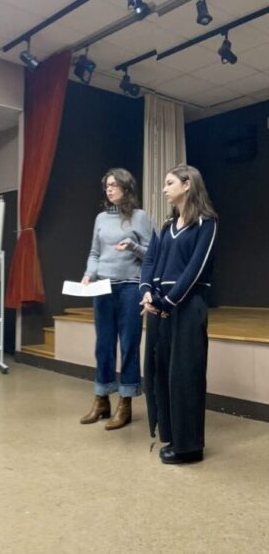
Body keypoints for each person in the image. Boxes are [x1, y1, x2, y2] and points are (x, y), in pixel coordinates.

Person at [141, 164, 217, 465]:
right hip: (160, 306)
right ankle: (172, 435)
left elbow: (195, 270)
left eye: (169, 183)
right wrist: (147, 292)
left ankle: (189, 448)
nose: (164, 189)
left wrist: (167, 302)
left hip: (186, 307)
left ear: (187, 185)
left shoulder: (206, 223)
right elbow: (150, 262)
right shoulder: (166, 226)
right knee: (161, 373)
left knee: (185, 375)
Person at [79, 168, 153, 430]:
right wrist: (89, 273)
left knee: (129, 344)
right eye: (106, 185)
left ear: (126, 187)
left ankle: (126, 404)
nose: (109, 189)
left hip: (130, 288)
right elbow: (94, 253)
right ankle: (101, 400)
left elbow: (152, 254)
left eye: (113, 185)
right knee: (103, 345)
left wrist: (132, 246)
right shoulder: (100, 218)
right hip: (102, 288)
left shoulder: (140, 217)